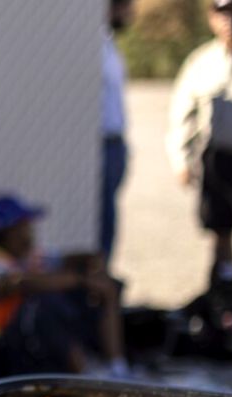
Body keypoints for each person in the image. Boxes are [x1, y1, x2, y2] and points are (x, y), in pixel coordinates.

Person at [166, 0, 232, 325]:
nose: (231, 19)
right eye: (223, 12)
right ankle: (227, 297)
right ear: (213, 18)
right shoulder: (201, 61)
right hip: (218, 158)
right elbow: (181, 112)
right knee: (219, 231)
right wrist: (180, 159)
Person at [0, 195, 131, 377]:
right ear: (4, 233)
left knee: (102, 288)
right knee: (44, 305)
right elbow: (18, 283)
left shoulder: (25, 256)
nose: (29, 233)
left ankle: (116, 368)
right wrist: (79, 279)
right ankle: (86, 377)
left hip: (32, 345)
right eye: (22, 228)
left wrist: (93, 266)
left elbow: (71, 259)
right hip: (0, 351)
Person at [101, 0, 134, 264]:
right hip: (98, 145)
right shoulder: (94, 44)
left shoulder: (110, 44)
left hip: (114, 143)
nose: (129, 10)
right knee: (100, 220)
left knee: (108, 219)